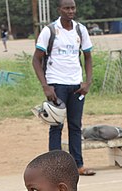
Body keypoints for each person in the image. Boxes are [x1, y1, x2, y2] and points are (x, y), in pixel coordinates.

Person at [32, 0, 96, 177]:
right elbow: (36, 59)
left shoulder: (80, 30)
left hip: (76, 85)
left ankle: (78, 165)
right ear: (59, 9)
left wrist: (87, 82)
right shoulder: (50, 31)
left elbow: (88, 57)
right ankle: (55, 168)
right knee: (56, 126)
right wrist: (46, 86)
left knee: (75, 126)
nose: (70, 11)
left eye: (73, 8)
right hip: (56, 85)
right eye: (66, 8)